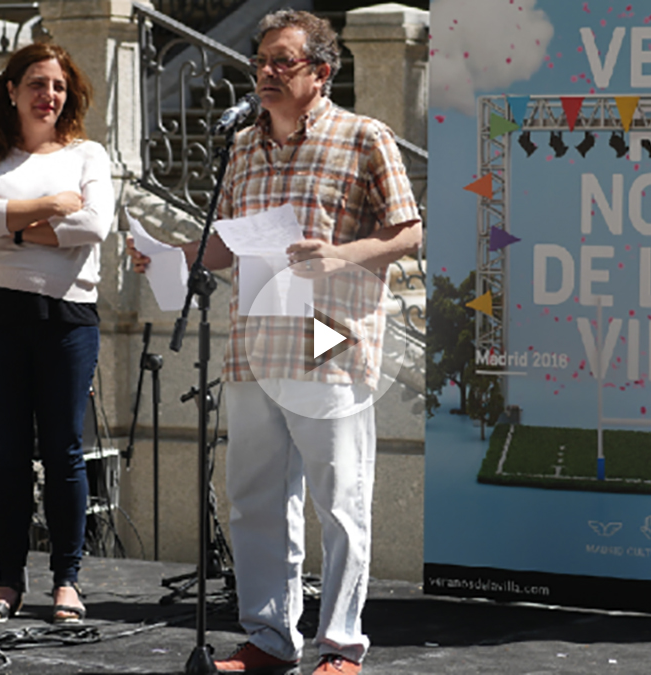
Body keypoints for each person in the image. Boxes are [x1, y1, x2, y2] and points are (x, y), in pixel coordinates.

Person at [128, 10, 421, 675]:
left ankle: (341, 645)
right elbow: (228, 244)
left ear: (320, 71)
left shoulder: (363, 136)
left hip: (327, 338)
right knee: (256, 497)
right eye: (260, 60)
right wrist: (172, 255)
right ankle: (269, 637)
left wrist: (341, 256)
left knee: (340, 498)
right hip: (255, 337)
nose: (264, 71)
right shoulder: (241, 145)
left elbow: (408, 233)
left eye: (281, 61)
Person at [0, 42, 113, 624]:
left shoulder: (88, 154)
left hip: (67, 317)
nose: (50, 96)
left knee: (65, 452)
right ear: (12, 90)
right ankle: (8, 581)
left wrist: (12, 224)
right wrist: (49, 207)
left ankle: (66, 580)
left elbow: (94, 224)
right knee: (10, 455)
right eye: (38, 84)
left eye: (60, 87)